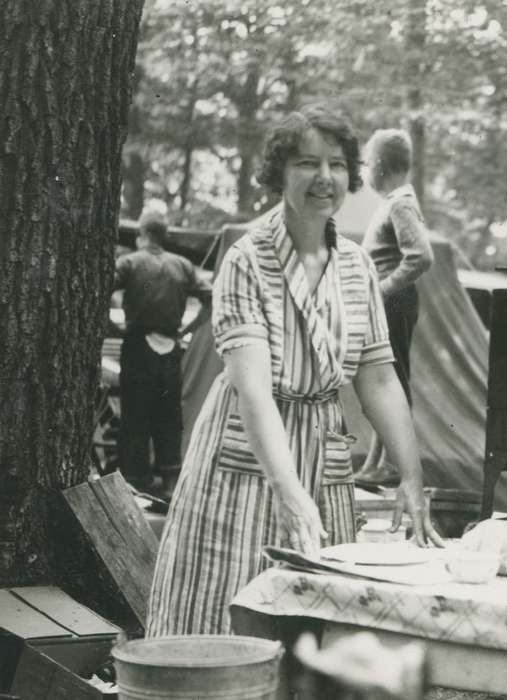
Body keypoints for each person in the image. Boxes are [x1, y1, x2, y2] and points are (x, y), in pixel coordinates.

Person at [147, 104, 443, 638]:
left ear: (353, 175)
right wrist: (288, 490)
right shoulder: (247, 258)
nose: (324, 178)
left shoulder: (355, 266)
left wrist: (411, 474)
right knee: (221, 613)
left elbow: (377, 376)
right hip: (245, 461)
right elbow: (254, 389)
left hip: (322, 457)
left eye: (336, 164)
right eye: (307, 163)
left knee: (311, 624)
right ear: (280, 171)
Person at [353, 128, 433, 487]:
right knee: (380, 378)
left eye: (368, 162)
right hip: (385, 304)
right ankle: (375, 463)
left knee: (392, 382)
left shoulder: (400, 203)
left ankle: (392, 465)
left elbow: (421, 257)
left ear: (381, 165)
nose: (365, 169)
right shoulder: (392, 202)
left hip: (394, 303)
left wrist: (383, 288)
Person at [113, 211, 212, 498]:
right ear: (164, 235)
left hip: (137, 344)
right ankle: (169, 482)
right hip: (170, 346)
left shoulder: (130, 262)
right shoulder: (182, 265)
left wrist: (115, 327)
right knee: (168, 415)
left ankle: (134, 480)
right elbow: (212, 296)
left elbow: (100, 286)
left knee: (134, 414)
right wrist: (188, 327)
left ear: (142, 234)